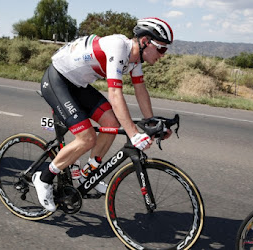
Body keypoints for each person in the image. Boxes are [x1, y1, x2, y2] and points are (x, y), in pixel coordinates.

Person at [33, 17, 174, 212]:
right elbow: (115, 94)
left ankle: (88, 173)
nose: (163, 55)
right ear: (144, 42)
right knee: (87, 138)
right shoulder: (118, 47)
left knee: (111, 123)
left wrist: (151, 123)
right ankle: (43, 178)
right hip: (58, 80)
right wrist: (133, 134)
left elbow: (140, 89)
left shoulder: (135, 60)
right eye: (161, 48)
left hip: (77, 85)